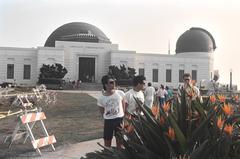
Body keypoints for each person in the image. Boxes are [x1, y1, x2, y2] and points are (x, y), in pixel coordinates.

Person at [97, 75, 125, 149]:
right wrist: (108, 116)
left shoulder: (120, 93)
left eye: (114, 82)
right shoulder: (101, 98)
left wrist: (123, 116)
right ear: (106, 84)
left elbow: (123, 104)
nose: (114, 84)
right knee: (107, 143)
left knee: (120, 143)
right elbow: (102, 111)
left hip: (119, 120)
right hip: (108, 121)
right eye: (111, 82)